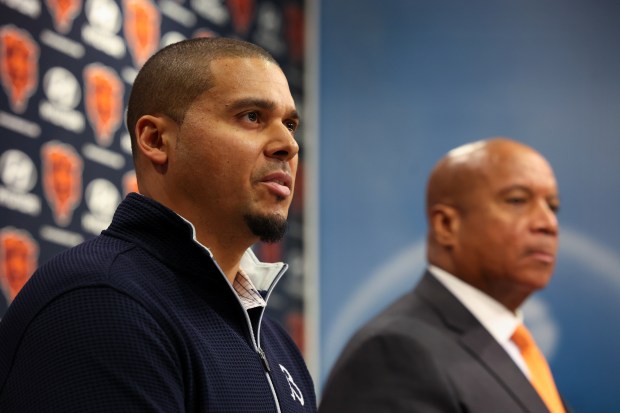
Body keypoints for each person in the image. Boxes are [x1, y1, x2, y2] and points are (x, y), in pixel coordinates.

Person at [0, 37, 316, 412]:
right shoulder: (101, 302)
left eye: (290, 124)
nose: (288, 145)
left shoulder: (277, 345)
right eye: (251, 116)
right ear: (156, 139)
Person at [320, 138, 569, 413]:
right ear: (446, 225)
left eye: (552, 206)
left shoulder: (516, 348)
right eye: (518, 200)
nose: (548, 223)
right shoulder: (395, 353)